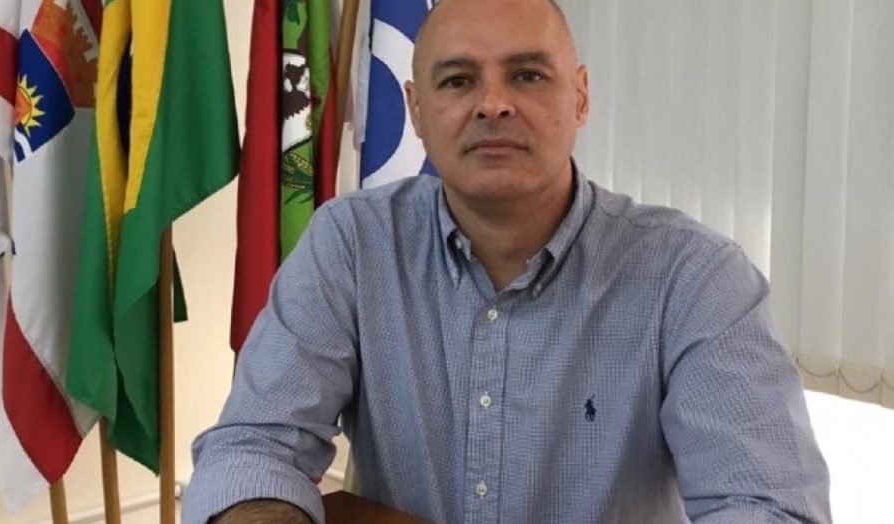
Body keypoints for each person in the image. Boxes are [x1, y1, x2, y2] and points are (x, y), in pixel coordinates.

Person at [183, 0, 831, 522]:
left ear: (579, 98)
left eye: (526, 75)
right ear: (415, 111)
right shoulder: (351, 244)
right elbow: (252, 445)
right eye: (458, 80)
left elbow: (767, 505)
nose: (492, 103)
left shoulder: (695, 276)